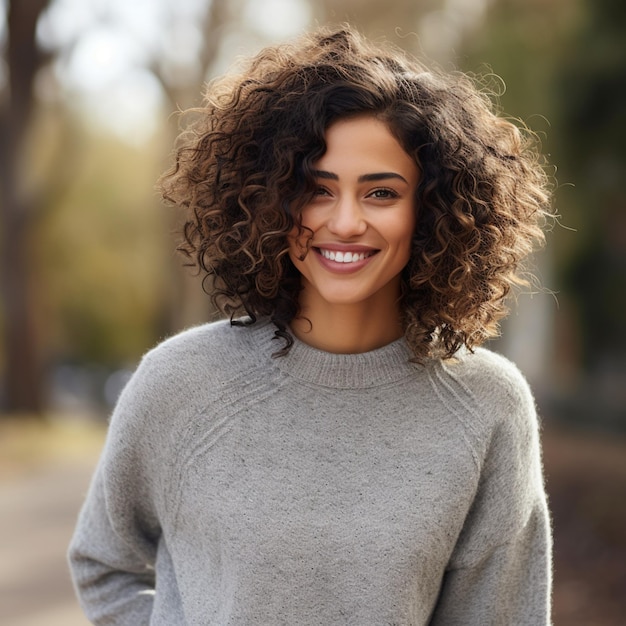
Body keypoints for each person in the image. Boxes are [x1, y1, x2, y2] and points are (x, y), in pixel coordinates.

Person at [68, 25, 553, 625]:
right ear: (270, 200)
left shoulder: (487, 407)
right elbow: (104, 563)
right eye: (316, 190)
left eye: (380, 193)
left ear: (429, 210)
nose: (345, 222)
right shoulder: (181, 382)